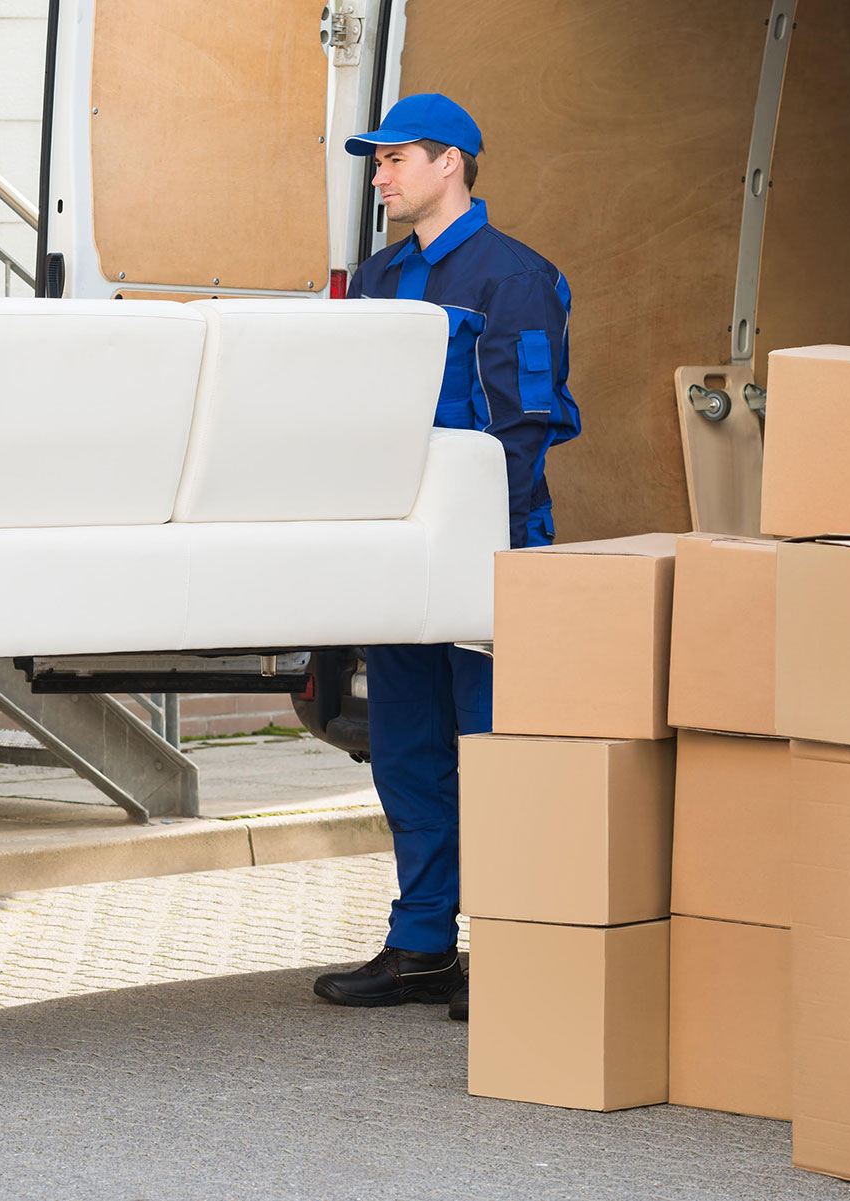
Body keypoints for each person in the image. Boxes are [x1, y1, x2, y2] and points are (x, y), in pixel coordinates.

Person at [311, 93, 580, 1020]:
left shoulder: (518, 278)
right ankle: (423, 943)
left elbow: (527, 426)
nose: (379, 176)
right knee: (408, 750)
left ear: (451, 163)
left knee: (494, 750)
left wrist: (479, 546)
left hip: (488, 555)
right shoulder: (379, 278)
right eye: (376, 161)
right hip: (398, 556)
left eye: (393, 160)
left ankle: (510, 945)